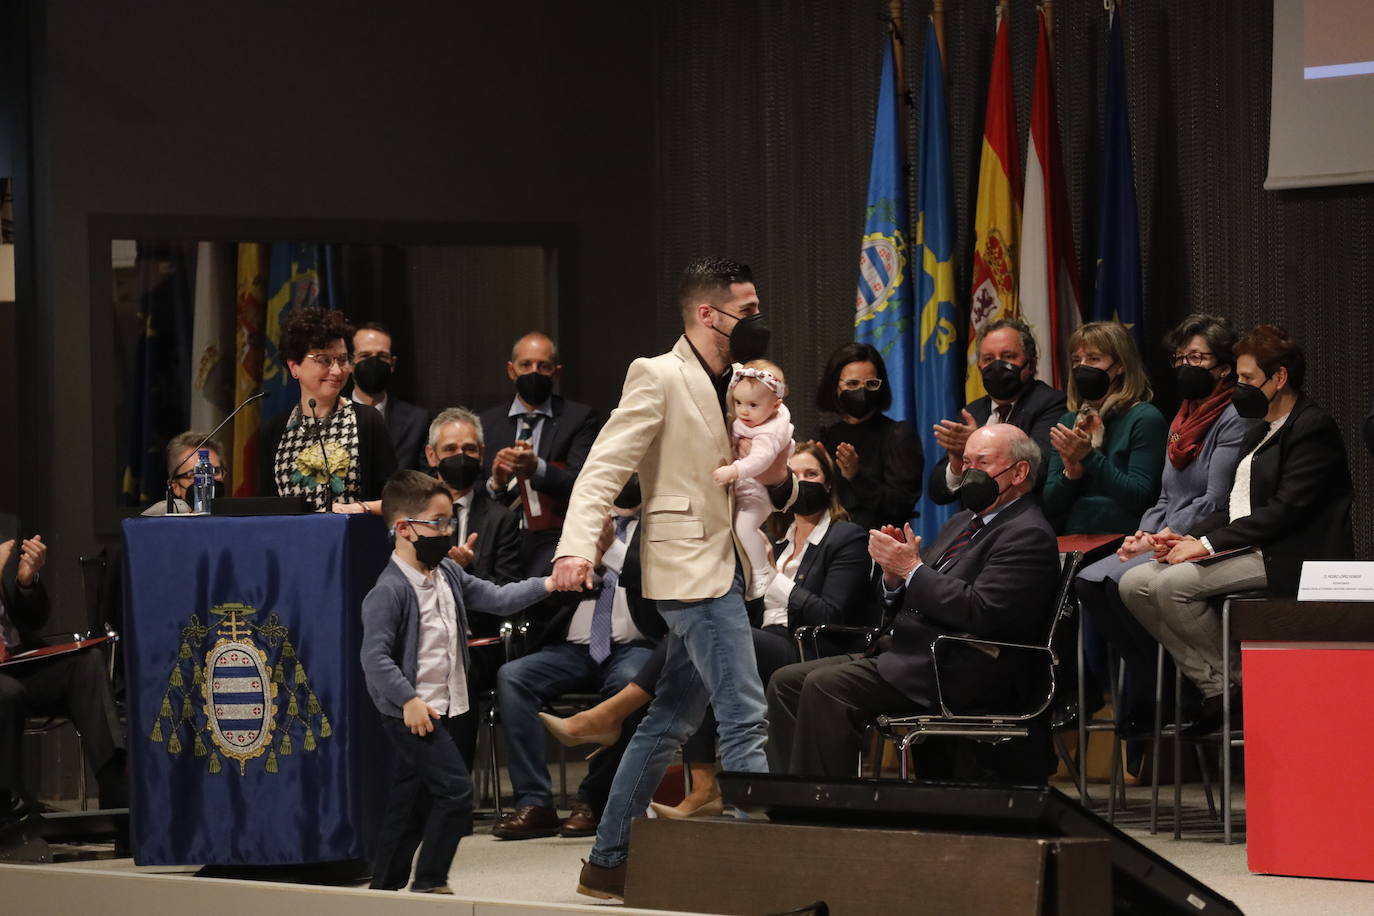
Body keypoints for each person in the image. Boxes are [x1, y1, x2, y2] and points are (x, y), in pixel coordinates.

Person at [550, 257, 792, 901]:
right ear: (709, 314)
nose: (758, 323)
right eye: (749, 311)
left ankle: (608, 861)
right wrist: (574, 548)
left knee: (668, 721)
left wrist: (774, 470)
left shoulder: (742, 382)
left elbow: (768, 475)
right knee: (743, 710)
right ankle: (755, 871)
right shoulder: (657, 375)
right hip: (687, 572)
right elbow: (604, 467)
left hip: (725, 568)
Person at [540, 442, 872, 818]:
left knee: (704, 636)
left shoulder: (846, 538)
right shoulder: (772, 540)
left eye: (811, 474)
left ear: (829, 484)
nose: (800, 482)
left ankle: (615, 717)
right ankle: (700, 785)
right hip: (766, 641)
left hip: (811, 650)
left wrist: (767, 573)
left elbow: (831, 614)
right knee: (700, 639)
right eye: (792, 475)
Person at [766, 425, 1059, 779]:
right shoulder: (962, 522)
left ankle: (825, 808)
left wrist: (911, 568)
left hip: (959, 666)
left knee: (825, 687)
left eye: (982, 463)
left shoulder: (1027, 532)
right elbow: (914, 589)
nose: (969, 473)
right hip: (909, 653)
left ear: (1020, 472)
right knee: (786, 682)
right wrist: (893, 576)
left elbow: (983, 612)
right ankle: (791, 797)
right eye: (965, 462)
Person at [1120, 325, 1354, 735]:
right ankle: (1219, 687)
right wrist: (1183, 537)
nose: (1238, 387)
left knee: (1171, 586)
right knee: (1135, 583)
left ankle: (1246, 684)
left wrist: (1206, 545)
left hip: (1288, 553)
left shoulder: (1312, 427)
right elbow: (1235, 504)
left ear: (1279, 378)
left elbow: (1286, 512)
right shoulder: (1258, 428)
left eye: (1247, 379)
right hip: (1246, 546)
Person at [359, 470, 563, 894]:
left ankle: (383, 888)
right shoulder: (390, 590)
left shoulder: (447, 574)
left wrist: (548, 583)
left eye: (449, 521)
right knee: (455, 793)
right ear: (404, 529)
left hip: (450, 705)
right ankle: (430, 882)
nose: (447, 532)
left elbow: (498, 598)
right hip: (414, 713)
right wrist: (408, 700)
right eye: (438, 523)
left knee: (410, 804)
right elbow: (374, 657)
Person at [1074, 315, 1253, 730]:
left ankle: (1169, 687)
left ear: (1224, 368)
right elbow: (1164, 495)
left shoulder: (1234, 418)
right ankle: (1161, 676)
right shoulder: (1183, 417)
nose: (1186, 366)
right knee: (1088, 580)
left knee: (1121, 583)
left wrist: (1158, 538)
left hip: (1204, 532)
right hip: (1165, 531)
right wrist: (1141, 534)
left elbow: (1216, 500)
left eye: (1198, 357)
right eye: (1180, 357)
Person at [492, 480, 662, 841]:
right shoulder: (580, 524)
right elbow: (544, 590)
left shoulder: (660, 524)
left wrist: (612, 551)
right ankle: (535, 802)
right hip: (573, 648)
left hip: (635, 645)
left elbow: (660, 583)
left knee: (630, 682)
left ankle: (592, 800)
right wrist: (580, 570)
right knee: (513, 676)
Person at [0, 529, 126, 838]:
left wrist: (26, 582)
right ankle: (10, 820)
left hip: (15, 662)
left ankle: (120, 798)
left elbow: (33, 619)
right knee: (7, 694)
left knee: (86, 664)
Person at [422, 407, 522, 771]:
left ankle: (453, 792)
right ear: (432, 456)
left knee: (454, 667)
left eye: (469, 449)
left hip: (474, 642)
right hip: (419, 637)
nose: (459, 457)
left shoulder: (501, 519)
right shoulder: (411, 516)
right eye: (450, 450)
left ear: (481, 454)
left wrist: (466, 572)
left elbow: (508, 591)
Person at [479, 332, 603, 577]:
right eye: (525, 365)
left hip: (553, 540)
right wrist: (496, 484)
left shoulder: (578, 418)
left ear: (556, 372)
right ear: (511, 370)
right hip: (498, 540)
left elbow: (582, 483)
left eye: (543, 366)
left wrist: (537, 468)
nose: (533, 372)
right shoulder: (486, 423)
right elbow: (473, 491)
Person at [261, 306, 398, 511]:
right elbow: (264, 507)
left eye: (342, 360)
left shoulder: (367, 420)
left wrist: (360, 508)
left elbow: (397, 501)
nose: (336, 370)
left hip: (351, 540)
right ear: (294, 367)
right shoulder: (276, 429)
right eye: (324, 360)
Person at [1042, 320, 1166, 536]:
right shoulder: (1070, 421)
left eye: (1093, 359)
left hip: (1124, 539)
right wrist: (1071, 474)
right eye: (1076, 360)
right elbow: (1050, 505)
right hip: (1073, 538)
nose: (1082, 367)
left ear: (1120, 366)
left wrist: (1089, 457)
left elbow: (1140, 499)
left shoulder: (1144, 418)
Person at [927, 317, 1066, 501]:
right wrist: (958, 462)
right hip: (978, 524)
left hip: (1028, 520)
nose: (997, 366)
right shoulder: (973, 412)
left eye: (1008, 356)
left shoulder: (1051, 404)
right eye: (989, 359)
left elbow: (1038, 470)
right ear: (979, 368)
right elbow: (938, 493)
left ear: (1030, 365)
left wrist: (979, 448)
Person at [815, 342, 923, 530]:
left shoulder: (897, 435)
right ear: (835, 386)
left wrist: (857, 476)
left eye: (871, 384)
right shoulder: (827, 437)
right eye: (852, 384)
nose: (862, 392)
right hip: (829, 541)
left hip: (878, 543)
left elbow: (901, 504)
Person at [711, 359, 794, 600]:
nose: (744, 411)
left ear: (776, 406)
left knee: (744, 526)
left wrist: (734, 470)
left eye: (753, 405)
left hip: (757, 495)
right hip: (743, 491)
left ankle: (762, 571)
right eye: (738, 403)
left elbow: (760, 460)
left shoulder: (768, 432)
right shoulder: (751, 419)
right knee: (743, 529)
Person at [352, 321, 430, 472]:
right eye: (365, 355)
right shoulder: (332, 417)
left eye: (382, 356)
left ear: (392, 364)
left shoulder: (417, 421)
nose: (374, 363)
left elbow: (425, 480)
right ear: (349, 362)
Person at [142, 431, 227, 515]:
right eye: (196, 474)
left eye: (215, 471)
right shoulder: (159, 521)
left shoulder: (237, 521)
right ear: (175, 486)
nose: (207, 480)